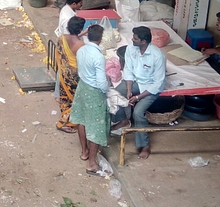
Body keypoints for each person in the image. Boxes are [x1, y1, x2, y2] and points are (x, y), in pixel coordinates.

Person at [110, 26, 166, 160]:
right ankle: (123, 120)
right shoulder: (131, 49)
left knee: (138, 112)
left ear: (144, 41)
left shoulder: (157, 56)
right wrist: (129, 90)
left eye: (135, 38)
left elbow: (158, 83)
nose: (132, 39)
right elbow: (128, 70)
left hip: (150, 87)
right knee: (115, 94)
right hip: (135, 82)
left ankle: (144, 145)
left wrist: (138, 97)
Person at [70, 24, 109, 175]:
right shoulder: (98, 57)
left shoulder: (81, 50)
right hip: (94, 92)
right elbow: (101, 83)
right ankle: (91, 164)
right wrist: (107, 86)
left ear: (88, 36)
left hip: (82, 87)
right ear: (101, 38)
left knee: (82, 120)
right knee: (96, 127)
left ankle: (84, 152)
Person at [55, 16, 87, 134]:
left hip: (63, 75)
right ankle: (64, 123)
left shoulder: (61, 38)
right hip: (74, 77)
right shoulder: (81, 45)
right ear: (79, 30)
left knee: (65, 99)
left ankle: (66, 117)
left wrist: (83, 33)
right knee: (76, 100)